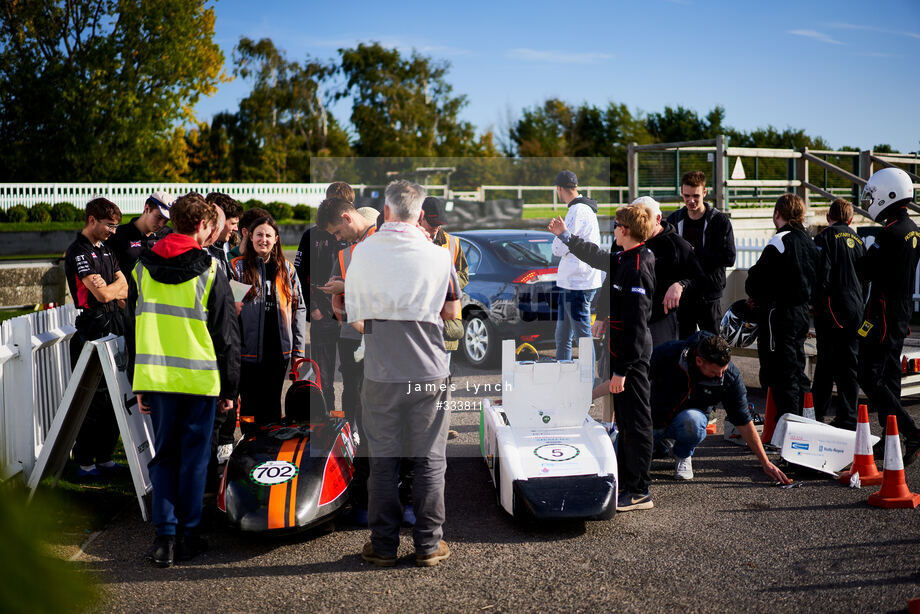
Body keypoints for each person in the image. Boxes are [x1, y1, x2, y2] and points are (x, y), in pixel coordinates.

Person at [344, 180, 460, 567]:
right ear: (421, 212)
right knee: (429, 459)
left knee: (384, 462)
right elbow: (452, 316)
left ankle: (383, 545)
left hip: (380, 373)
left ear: (387, 211)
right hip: (429, 370)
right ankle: (428, 544)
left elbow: (357, 320)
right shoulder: (439, 256)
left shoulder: (362, 253)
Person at [126, 193, 240, 567]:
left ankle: (165, 538)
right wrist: (229, 389)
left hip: (157, 379)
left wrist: (137, 380)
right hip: (199, 379)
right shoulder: (210, 269)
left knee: (165, 457)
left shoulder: (141, 268)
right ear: (204, 227)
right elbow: (227, 336)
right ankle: (189, 535)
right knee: (194, 460)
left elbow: (133, 328)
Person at [649, 332, 790, 483]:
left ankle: (683, 454)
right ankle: (659, 446)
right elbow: (632, 383)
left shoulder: (729, 376)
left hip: (684, 423)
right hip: (650, 421)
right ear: (699, 361)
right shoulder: (667, 354)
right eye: (714, 372)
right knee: (627, 461)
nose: (720, 376)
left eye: (723, 370)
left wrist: (765, 462)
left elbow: (742, 420)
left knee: (694, 421)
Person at [316, 196, 379, 524]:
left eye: (339, 231)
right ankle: (364, 495)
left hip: (379, 342)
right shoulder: (346, 251)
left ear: (347, 216)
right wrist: (339, 300)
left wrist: (348, 286)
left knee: (377, 422)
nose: (338, 238)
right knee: (358, 407)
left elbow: (383, 290)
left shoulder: (381, 240)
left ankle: (375, 500)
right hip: (355, 334)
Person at [856, 168, 920, 464]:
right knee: (890, 377)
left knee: (870, 377)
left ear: (889, 193)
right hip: (900, 313)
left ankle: (910, 431)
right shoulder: (912, 229)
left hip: (881, 314)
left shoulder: (890, 233)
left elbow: (866, 270)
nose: (870, 199)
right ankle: (891, 437)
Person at [64, 197, 129, 479]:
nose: (113, 231)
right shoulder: (78, 251)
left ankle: (104, 457)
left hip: (113, 325)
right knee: (94, 399)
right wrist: (113, 289)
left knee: (114, 398)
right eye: (109, 225)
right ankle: (85, 461)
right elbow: (102, 295)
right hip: (91, 330)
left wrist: (113, 288)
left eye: (116, 226)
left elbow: (125, 287)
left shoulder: (106, 249)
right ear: (92, 220)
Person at [745, 194, 819, 420]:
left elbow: (755, 281)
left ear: (778, 213)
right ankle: (806, 419)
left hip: (778, 314)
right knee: (797, 369)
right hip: (801, 312)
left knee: (778, 372)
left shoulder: (779, 240)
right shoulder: (809, 240)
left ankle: (786, 427)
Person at [231, 217, 306, 431]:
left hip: (278, 352)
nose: (263, 239)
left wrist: (297, 350)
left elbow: (299, 308)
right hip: (248, 352)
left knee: (272, 404)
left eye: (268, 235)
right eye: (259, 235)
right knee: (248, 408)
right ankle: (248, 443)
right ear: (250, 237)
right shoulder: (238, 268)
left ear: (276, 240)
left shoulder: (287, 270)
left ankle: (270, 448)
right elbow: (232, 310)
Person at [606, 204, 656, 512]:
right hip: (621, 352)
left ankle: (640, 491)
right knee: (625, 422)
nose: (612, 230)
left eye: (615, 226)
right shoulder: (624, 257)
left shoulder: (638, 263)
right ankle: (627, 481)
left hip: (631, 358)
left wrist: (622, 371)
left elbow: (637, 324)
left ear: (625, 230)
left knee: (637, 423)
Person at [812, 198, 865, 429]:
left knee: (825, 366)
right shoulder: (859, 240)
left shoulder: (824, 237)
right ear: (851, 219)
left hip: (832, 310)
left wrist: (815, 304)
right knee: (849, 367)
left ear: (828, 217)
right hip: (857, 309)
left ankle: (816, 415)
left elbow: (821, 275)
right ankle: (848, 418)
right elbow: (866, 279)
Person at [667, 171, 736, 337]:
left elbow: (729, 257)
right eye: (686, 195)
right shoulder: (674, 220)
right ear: (682, 193)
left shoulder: (719, 221)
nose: (691, 200)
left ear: (704, 193)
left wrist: (694, 255)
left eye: (696, 196)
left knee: (712, 346)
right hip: (683, 296)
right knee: (683, 347)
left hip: (709, 294)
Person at [634, 196, 704, 347]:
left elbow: (699, 278)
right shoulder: (626, 240)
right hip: (633, 318)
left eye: (645, 218)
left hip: (664, 320)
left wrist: (680, 285)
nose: (639, 223)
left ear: (658, 219)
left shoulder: (678, 245)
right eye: (635, 217)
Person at [550, 170, 602, 360]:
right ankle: (565, 377)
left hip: (577, 284)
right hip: (573, 282)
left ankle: (588, 383)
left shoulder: (577, 210)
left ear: (559, 189)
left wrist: (557, 236)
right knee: (562, 337)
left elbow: (558, 248)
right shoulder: (583, 208)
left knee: (582, 338)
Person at [106, 191, 173, 274]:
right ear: (147, 209)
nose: (161, 224)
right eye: (159, 217)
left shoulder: (169, 235)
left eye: (166, 220)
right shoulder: (119, 234)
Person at [205, 192, 243, 276]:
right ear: (218, 220)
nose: (236, 228)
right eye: (233, 223)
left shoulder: (224, 246)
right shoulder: (202, 252)